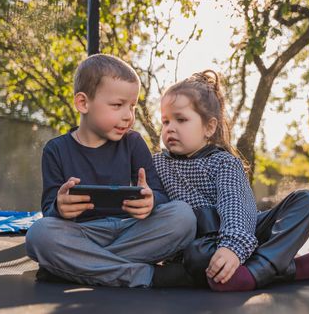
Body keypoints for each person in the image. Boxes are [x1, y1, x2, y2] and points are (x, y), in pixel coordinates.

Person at [153, 70, 309, 291]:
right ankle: (289, 269)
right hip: (202, 244)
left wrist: (232, 247)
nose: (170, 128)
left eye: (181, 119)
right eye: (165, 122)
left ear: (209, 128)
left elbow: (236, 205)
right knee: (196, 256)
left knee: (308, 201)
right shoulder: (157, 164)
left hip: (243, 232)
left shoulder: (223, 162)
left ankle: (254, 271)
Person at [25, 54, 196, 288]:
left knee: (183, 216)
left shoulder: (134, 142)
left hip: (131, 230)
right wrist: (60, 206)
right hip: (83, 232)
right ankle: (142, 275)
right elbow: (49, 212)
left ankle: (73, 267)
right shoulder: (55, 150)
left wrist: (151, 201)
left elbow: (159, 195)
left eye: (132, 106)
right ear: (83, 103)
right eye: (118, 105)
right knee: (39, 235)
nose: (128, 115)